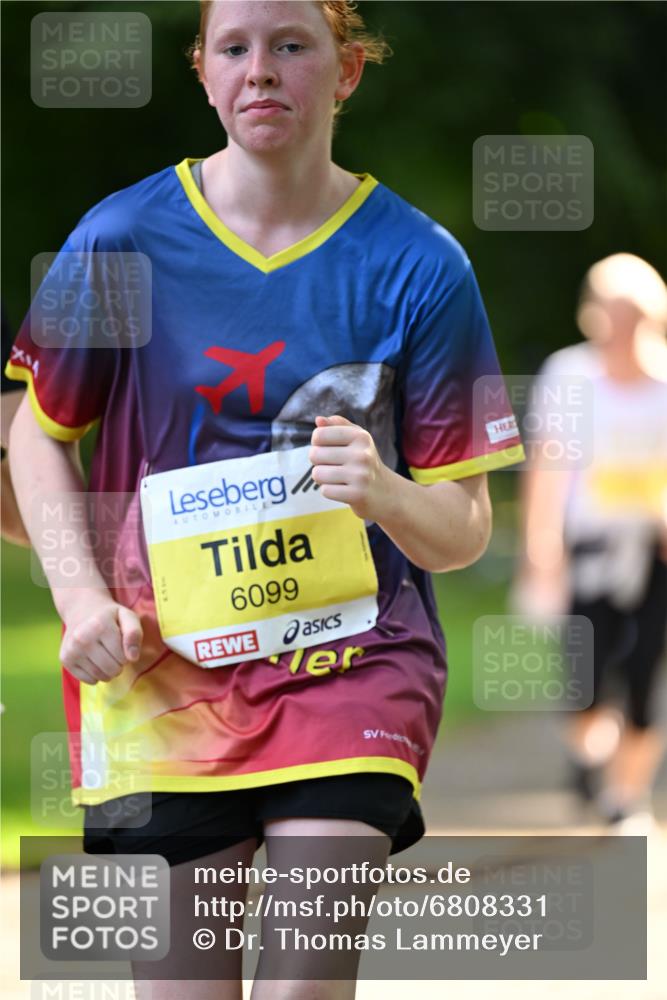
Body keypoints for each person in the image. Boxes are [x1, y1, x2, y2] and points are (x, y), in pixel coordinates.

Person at [7, 2, 523, 996]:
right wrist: (78, 600)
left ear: (347, 73)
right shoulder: (118, 239)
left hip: (352, 667)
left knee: (302, 983)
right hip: (161, 678)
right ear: (202, 72)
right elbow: (37, 429)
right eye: (235, 48)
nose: (261, 71)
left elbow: (462, 530)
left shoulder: (421, 265)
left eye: (292, 45)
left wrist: (382, 493)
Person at [515, 253, 667, 831]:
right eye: (611, 311)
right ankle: (592, 756)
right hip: (588, 545)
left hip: (653, 548)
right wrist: (540, 544)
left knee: (645, 672)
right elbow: (548, 466)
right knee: (585, 680)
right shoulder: (570, 375)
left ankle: (627, 798)